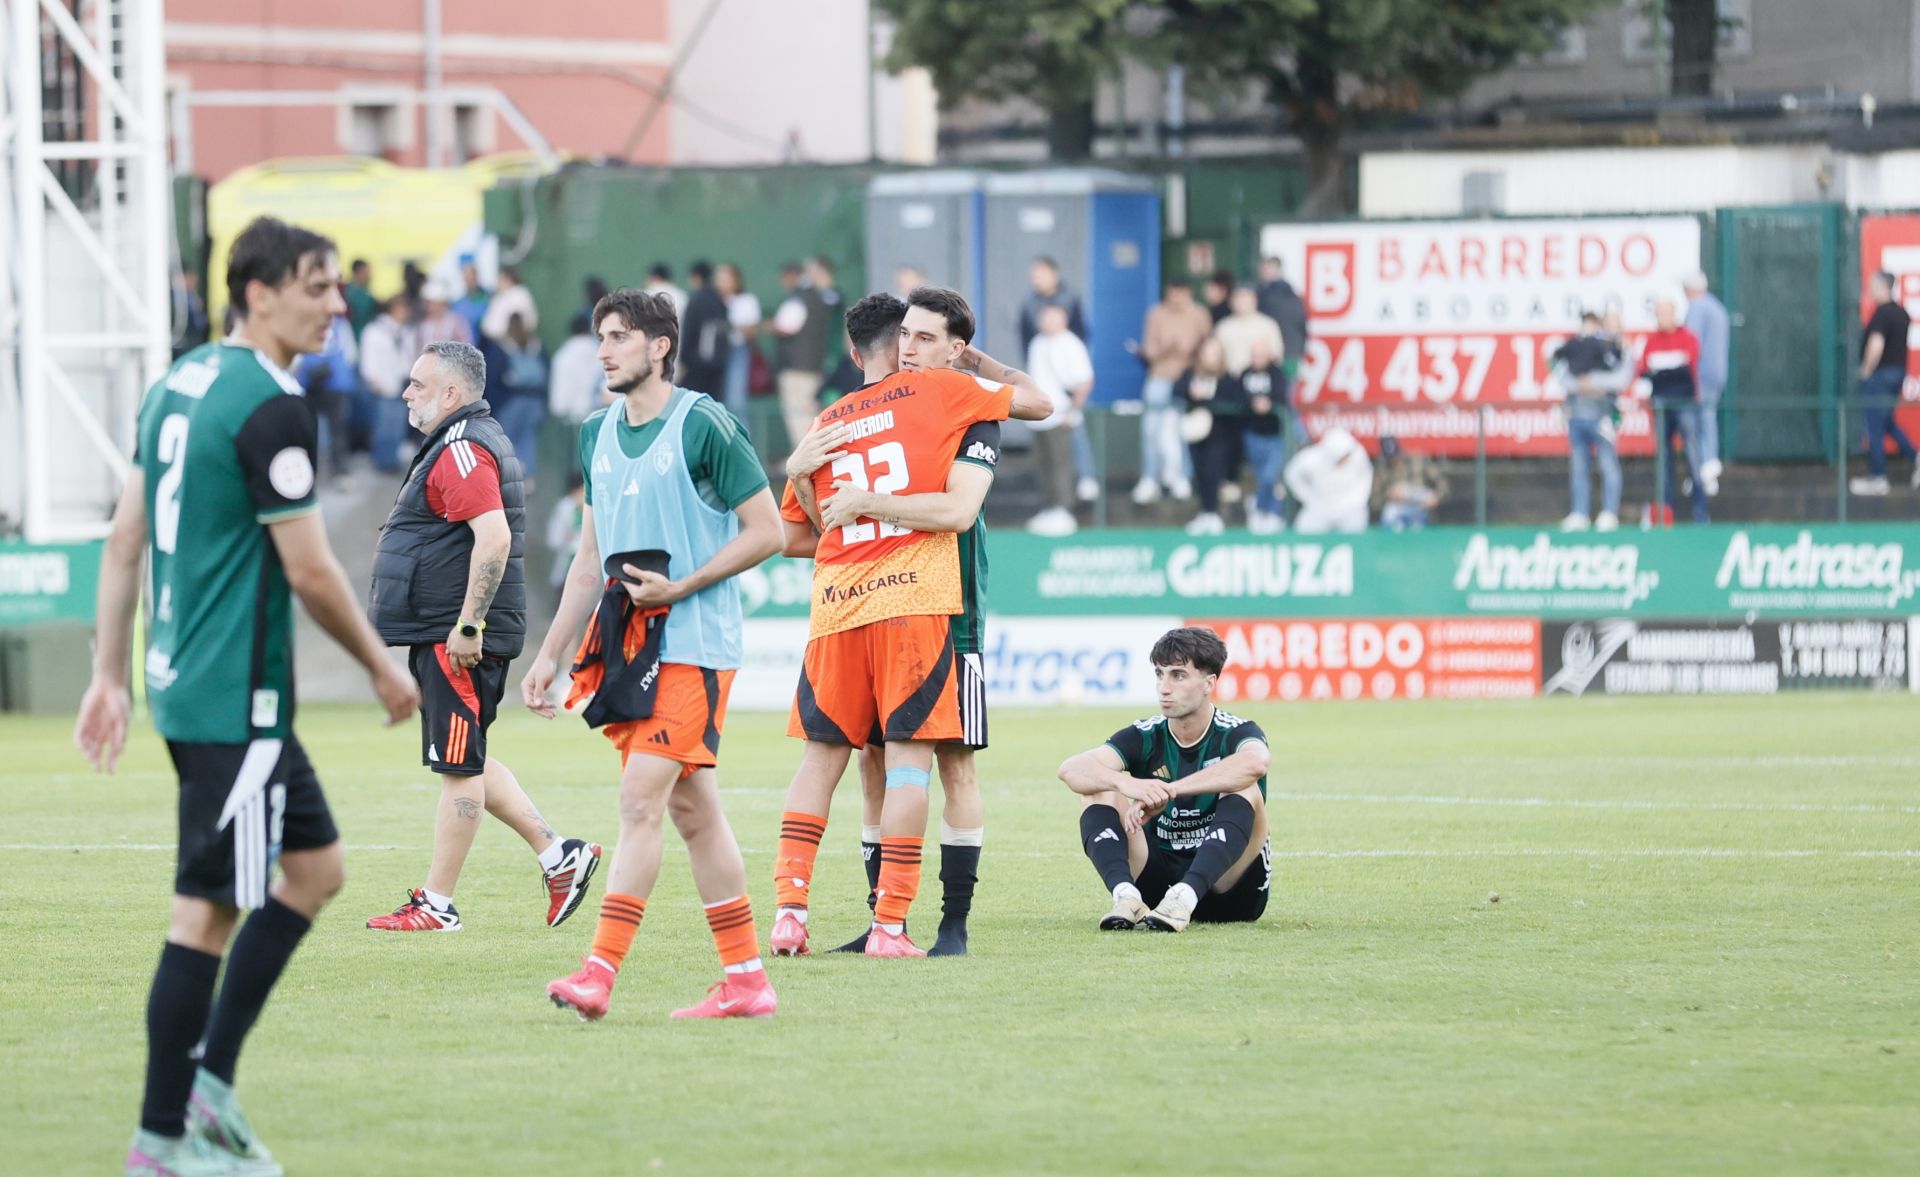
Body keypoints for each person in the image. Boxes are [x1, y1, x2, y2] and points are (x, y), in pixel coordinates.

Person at [74, 215, 420, 1176]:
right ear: (258, 292)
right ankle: (160, 1141)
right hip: (238, 702)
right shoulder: (271, 406)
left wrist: (110, 671)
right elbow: (309, 572)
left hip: (187, 683)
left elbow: (121, 542)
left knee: (316, 869)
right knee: (205, 916)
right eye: (317, 286)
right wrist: (383, 669)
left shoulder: (178, 381)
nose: (337, 305)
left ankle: (209, 1089)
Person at [524, 288, 784, 1021]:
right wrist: (550, 653)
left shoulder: (706, 424)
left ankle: (598, 974)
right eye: (599, 336)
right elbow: (588, 558)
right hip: (629, 653)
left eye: (617, 337)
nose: (602, 350)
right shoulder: (595, 433)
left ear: (660, 346)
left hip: (696, 647)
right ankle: (747, 980)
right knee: (694, 814)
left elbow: (768, 529)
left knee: (639, 800)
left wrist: (683, 586)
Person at [769, 285, 1051, 960]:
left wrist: (808, 481)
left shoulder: (826, 421)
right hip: (914, 600)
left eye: (930, 339)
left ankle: (796, 912)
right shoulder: (942, 395)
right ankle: (889, 924)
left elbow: (796, 535)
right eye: (912, 337)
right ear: (898, 342)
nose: (917, 348)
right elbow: (1039, 401)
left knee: (838, 763)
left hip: (844, 603)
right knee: (901, 768)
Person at [363, 340, 601, 935]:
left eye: (418, 384)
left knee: (458, 768)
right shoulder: (458, 442)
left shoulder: (464, 447)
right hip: (447, 629)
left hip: (459, 634)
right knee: (464, 758)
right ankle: (558, 856)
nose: (406, 393)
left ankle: (437, 905)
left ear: (450, 393)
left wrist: (468, 625)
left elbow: (491, 538)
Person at [1058, 626, 1270, 932]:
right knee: (1097, 788)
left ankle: (1187, 894)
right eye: (1159, 674)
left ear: (1209, 683)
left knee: (1245, 789)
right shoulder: (1145, 734)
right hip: (1159, 889)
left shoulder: (1236, 731)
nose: (1164, 687)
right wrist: (1129, 785)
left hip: (1229, 890)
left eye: (1178, 675)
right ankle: (1126, 897)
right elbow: (1071, 769)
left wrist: (1170, 790)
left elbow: (1256, 762)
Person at [1129, 279, 1209, 505]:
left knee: (1183, 430)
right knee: (1151, 429)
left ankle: (1182, 477)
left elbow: (1208, 347)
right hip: (1160, 377)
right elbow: (1149, 351)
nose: (1177, 298)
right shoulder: (1156, 314)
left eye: (1181, 293)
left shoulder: (1199, 315)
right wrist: (1167, 349)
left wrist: (1190, 354)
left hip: (1187, 380)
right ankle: (1150, 478)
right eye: (1173, 293)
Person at [1025, 303, 1095, 537]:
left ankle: (1064, 510)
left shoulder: (1070, 343)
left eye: (1052, 317)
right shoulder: (1037, 343)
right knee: (1042, 464)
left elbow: (1084, 380)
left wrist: (1073, 410)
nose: (1046, 322)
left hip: (1060, 414)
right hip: (1037, 417)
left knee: (1061, 463)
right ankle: (1048, 508)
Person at [1554, 311, 1629, 531]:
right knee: (1578, 466)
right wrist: (1582, 385)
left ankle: (1609, 512)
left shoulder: (1615, 349)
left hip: (1603, 416)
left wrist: (1593, 381)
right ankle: (1580, 513)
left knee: (1607, 463)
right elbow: (1563, 376)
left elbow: (1622, 378)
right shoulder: (1575, 347)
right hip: (1577, 416)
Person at [1640, 297, 1708, 524]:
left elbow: (1688, 364)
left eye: (1665, 313)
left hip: (1685, 403)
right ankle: (1665, 514)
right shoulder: (1651, 341)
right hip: (1660, 406)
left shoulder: (1687, 337)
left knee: (1693, 454)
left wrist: (1664, 369)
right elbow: (1644, 369)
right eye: (1658, 313)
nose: (1662, 318)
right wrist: (1669, 368)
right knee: (1663, 459)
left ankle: (1701, 512)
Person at [1850, 270, 1918, 496]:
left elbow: (1876, 345)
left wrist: (1866, 371)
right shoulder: (1902, 313)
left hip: (1880, 376)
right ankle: (1916, 457)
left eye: (1873, 285)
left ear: (1882, 287)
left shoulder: (1882, 314)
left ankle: (1878, 477)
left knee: (1875, 426)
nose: (1870, 290)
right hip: (1897, 374)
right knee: (1886, 421)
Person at [1177, 337, 1245, 537]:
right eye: (1207, 352)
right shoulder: (1191, 374)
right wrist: (1191, 393)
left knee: (1214, 473)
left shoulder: (1226, 378)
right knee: (1199, 474)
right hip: (1196, 433)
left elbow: (1234, 398)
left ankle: (1214, 512)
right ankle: (1205, 512)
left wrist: (1209, 399)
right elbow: (1177, 389)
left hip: (1220, 433)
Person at [771, 258, 838, 452]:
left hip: (796, 369)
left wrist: (771, 326)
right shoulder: (820, 299)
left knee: (799, 418)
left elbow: (786, 327)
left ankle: (807, 461)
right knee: (812, 416)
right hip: (815, 367)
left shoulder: (799, 298)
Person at [1682, 270, 1731, 493]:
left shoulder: (1698, 307)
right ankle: (1707, 469)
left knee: (1702, 421)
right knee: (1707, 417)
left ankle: (1706, 467)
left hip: (1702, 374)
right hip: (1718, 373)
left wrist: (1691, 377)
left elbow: (1691, 345)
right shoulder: (1717, 307)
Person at [359, 293, 418, 474]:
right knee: (383, 426)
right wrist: (373, 380)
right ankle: (382, 462)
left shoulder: (406, 331)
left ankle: (392, 460)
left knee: (398, 424)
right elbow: (368, 359)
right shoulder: (375, 331)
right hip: (382, 386)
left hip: (401, 384)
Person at [488, 313, 549, 486]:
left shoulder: (504, 347)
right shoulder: (535, 346)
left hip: (511, 400)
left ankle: (508, 479)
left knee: (506, 440)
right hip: (534, 400)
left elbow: (493, 378)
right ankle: (528, 478)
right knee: (528, 439)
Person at [1239, 340, 1289, 533]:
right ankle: (1269, 513)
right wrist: (1253, 403)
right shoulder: (1245, 374)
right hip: (1253, 433)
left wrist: (1269, 403)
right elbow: (1237, 396)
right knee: (1262, 477)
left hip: (1274, 434)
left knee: (1270, 475)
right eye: (1255, 355)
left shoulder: (1276, 374)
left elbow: (1282, 395)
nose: (1257, 359)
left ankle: (1260, 507)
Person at [1284, 426, 1373, 534]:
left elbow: (1366, 476)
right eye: (1342, 457)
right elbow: (1291, 475)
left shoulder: (1357, 454)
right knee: (1304, 530)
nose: (1346, 459)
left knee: (1357, 531)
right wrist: (1308, 497)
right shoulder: (1312, 459)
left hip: (1350, 508)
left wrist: (1357, 500)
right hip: (1321, 507)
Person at [677, 260, 732, 397]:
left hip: (696, 363)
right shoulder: (719, 301)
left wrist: (684, 360)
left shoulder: (696, 299)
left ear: (695, 277)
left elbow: (689, 330)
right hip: (718, 363)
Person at [716, 261, 762, 423]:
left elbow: (751, 331)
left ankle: (741, 443)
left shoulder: (746, 300)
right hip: (714, 354)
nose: (721, 282)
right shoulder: (713, 301)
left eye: (725, 278)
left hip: (737, 351)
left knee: (735, 401)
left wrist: (730, 325)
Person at [1016, 256, 1088, 356]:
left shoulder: (1070, 299)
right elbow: (1025, 337)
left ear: (1054, 274)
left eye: (1042, 276)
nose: (1037, 281)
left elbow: (1081, 331)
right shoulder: (1028, 304)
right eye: (1034, 277)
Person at [1371, 436, 1446, 531]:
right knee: (1390, 514)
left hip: (1421, 508)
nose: (1394, 460)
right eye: (1390, 457)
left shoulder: (1417, 460)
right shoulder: (1381, 471)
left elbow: (1442, 482)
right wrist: (1389, 496)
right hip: (1397, 512)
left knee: (1418, 526)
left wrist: (1436, 497)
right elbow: (1374, 502)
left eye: (1395, 455)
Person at [1256, 256, 1309, 388]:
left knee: (1281, 395)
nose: (1264, 271)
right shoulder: (1293, 295)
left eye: (1267, 268)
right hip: (1291, 351)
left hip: (1277, 353)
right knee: (1287, 393)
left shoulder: (1266, 296)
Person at [548, 311, 607, 427]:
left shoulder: (563, 355)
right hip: (599, 413)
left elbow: (559, 393)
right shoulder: (599, 351)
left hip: (571, 418)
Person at [1213, 285, 1285, 377]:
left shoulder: (1268, 325)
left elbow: (1277, 355)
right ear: (1231, 302)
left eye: (1246, 299)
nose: (1242, 303)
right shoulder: (1223, 327)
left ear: (1255, 301)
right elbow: (1214, 357)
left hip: (1259, 381)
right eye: (1238, 299)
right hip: (1230, 380)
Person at [480, 265, 538, 343]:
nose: (498, 282)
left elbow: (524, 324)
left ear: (508, 279)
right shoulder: (500, 296)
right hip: (496, 344)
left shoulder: (520, 294)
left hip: (514, 345)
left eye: (501, 278)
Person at [417, 280, 473, 347]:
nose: (428, 306)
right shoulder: (424, 323)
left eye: (431, 303)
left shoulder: (456, 321)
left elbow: (467, 345)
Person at [452, 255, 490, 340]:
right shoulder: (458, 304)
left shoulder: (489, 298)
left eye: (472, 275)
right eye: (467, 276)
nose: (469, 279)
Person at [343, 258, 379, 341]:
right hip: (355, 337)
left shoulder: (364, 291)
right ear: (359, 272)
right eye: (367, 272)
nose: (370, 276)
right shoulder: (352, 293)